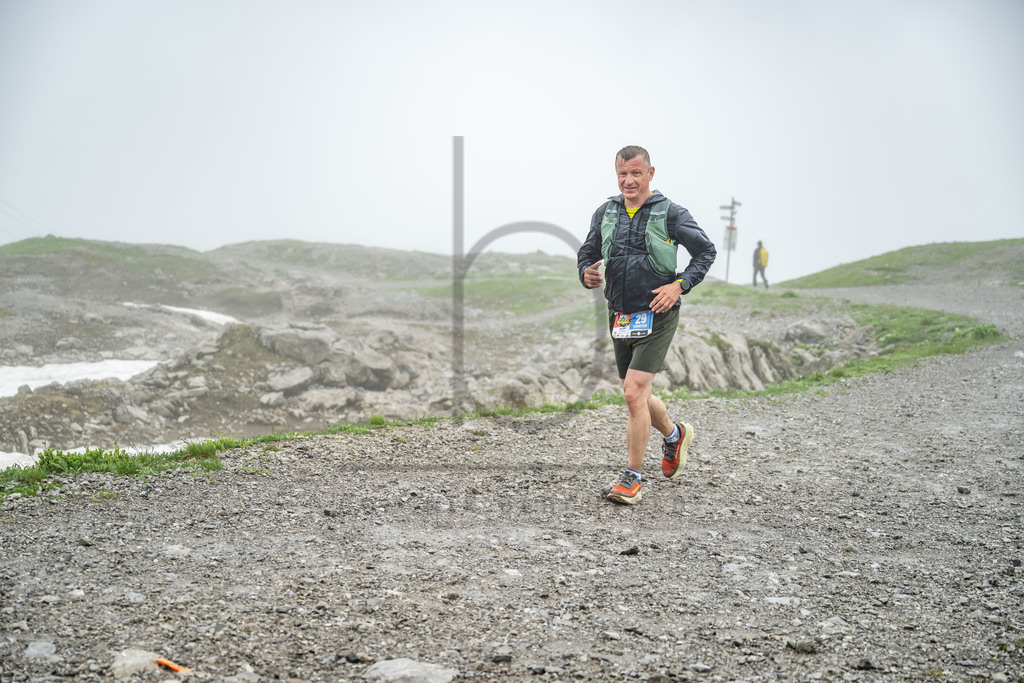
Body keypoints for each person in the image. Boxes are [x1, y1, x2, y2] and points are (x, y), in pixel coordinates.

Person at [577, 145, 717, 505]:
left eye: (636, 173)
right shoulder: (605, 212)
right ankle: (674, 436)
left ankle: (632, 478)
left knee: (632, 393)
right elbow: (588, 252)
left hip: (658, 313)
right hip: (621, 315)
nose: (628, 181)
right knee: (638, 393)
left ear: (650, 174)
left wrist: (679, 285)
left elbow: (705, 252)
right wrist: (586, 272)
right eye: (623, 174)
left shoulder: (670, 213)